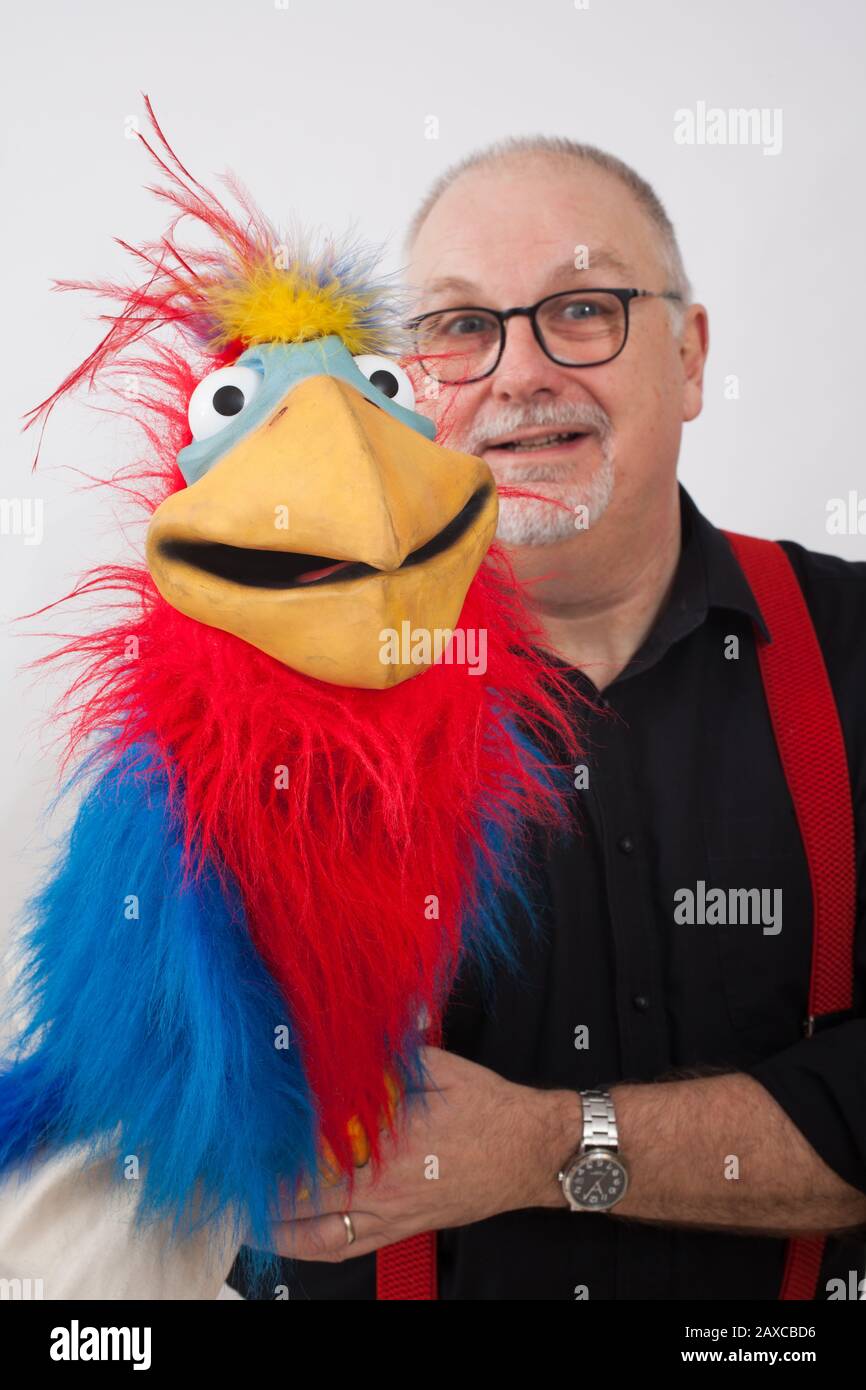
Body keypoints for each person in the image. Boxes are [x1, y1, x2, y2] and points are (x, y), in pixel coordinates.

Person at [234, 138, 866, 1300]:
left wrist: (546, 1145)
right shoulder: (263, 698)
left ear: (687, 356)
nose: (517, 372)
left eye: (581, 308)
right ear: (407, 388)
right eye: (461, 327)